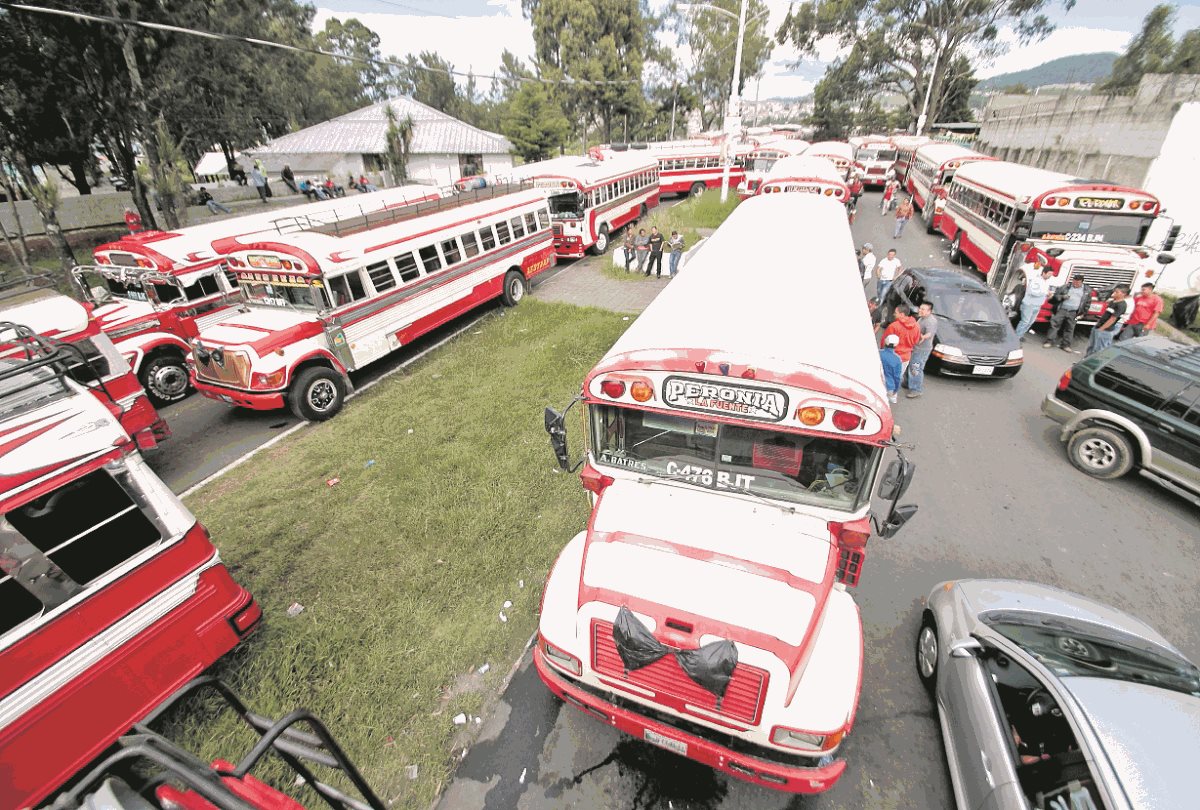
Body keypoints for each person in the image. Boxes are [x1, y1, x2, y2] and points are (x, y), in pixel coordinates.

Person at [1044, 273, 1092, 352]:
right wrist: (1062, 297)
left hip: (1074, 312)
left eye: (1078, 282)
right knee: (1054, 325)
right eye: (1074, 281)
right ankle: (1049, 341)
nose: (1075, 284)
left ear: (1082, 282)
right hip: (1062, 310)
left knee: (1070, 328)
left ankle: (1065, 345)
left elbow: (1088, 303)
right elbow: (1055, 296)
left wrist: (1083, 313)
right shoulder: (1065, 287)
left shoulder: (1086, 291)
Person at [1015, 260, 1054, 342]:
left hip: (1037, 305)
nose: (1050, 276)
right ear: (1044, 273)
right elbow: (1032, 292)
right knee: (1025, 322)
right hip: (1029, 304)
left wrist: (1048, 294)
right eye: (1049, 274)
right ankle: (1016, 337)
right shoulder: (1036, 280)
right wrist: (1045, 293)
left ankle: (1020, 335)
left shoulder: (1046, 282)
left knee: (1030, 322)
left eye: (1051, 274)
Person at [905, 301, 938, 398]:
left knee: (916, 368)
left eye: (923, 309)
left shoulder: (930, 321)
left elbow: (929, 333)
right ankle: (908, 382)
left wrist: (923, 337)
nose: (920, 310)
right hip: (916, 347)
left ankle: (916, 389)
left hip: (921, 350)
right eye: (920, 308)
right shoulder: (923, 318)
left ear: (929, 311)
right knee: (911, 366)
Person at [1086, 285, 1129, 356]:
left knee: (1099, 349)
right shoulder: (1112, 302)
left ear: (1123, 294)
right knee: (1091, 346)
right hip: (1098, 326)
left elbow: (1112, 319)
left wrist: (1101, 329)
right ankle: (1085, 360)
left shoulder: (1122, 305)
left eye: (1117, 292)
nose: (1114, 293)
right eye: (1114, 291)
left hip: (1105, 330)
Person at [881, 303, 921, 379]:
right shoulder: (917, 326)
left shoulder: (894, 326)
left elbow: (885, 342)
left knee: (885, 379)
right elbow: (916, 341)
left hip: (891, 357)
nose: (893, 314)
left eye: (896, 313)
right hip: (905, 358)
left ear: (902, 314)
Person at [880, 334, 902, 404]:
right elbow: (897, 377)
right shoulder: (897, 359)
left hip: (875, 383)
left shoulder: (877, 353)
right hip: (888, 386)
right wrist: (895, 390)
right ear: (896, 345)